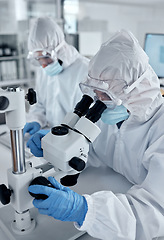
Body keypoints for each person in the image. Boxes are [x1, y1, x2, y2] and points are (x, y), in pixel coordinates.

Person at [28, 29, 164, 240]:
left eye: (106, 95)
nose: (98, 101)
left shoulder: (160, 129)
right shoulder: (115, 116)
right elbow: (94, 151)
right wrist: (59, 145)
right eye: (96, 93)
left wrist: (84, 210)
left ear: (135, 91)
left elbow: (153, 212)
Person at [24, 17, 89, 153]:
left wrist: (60, 136)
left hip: (76, 148)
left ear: (60, 48)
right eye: (39, 59)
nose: (43, 64)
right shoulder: (44, 70)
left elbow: (88, 122)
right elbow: (39, 104)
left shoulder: (85, 71)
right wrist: (36, 120)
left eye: (46, 57)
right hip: (49, 142)